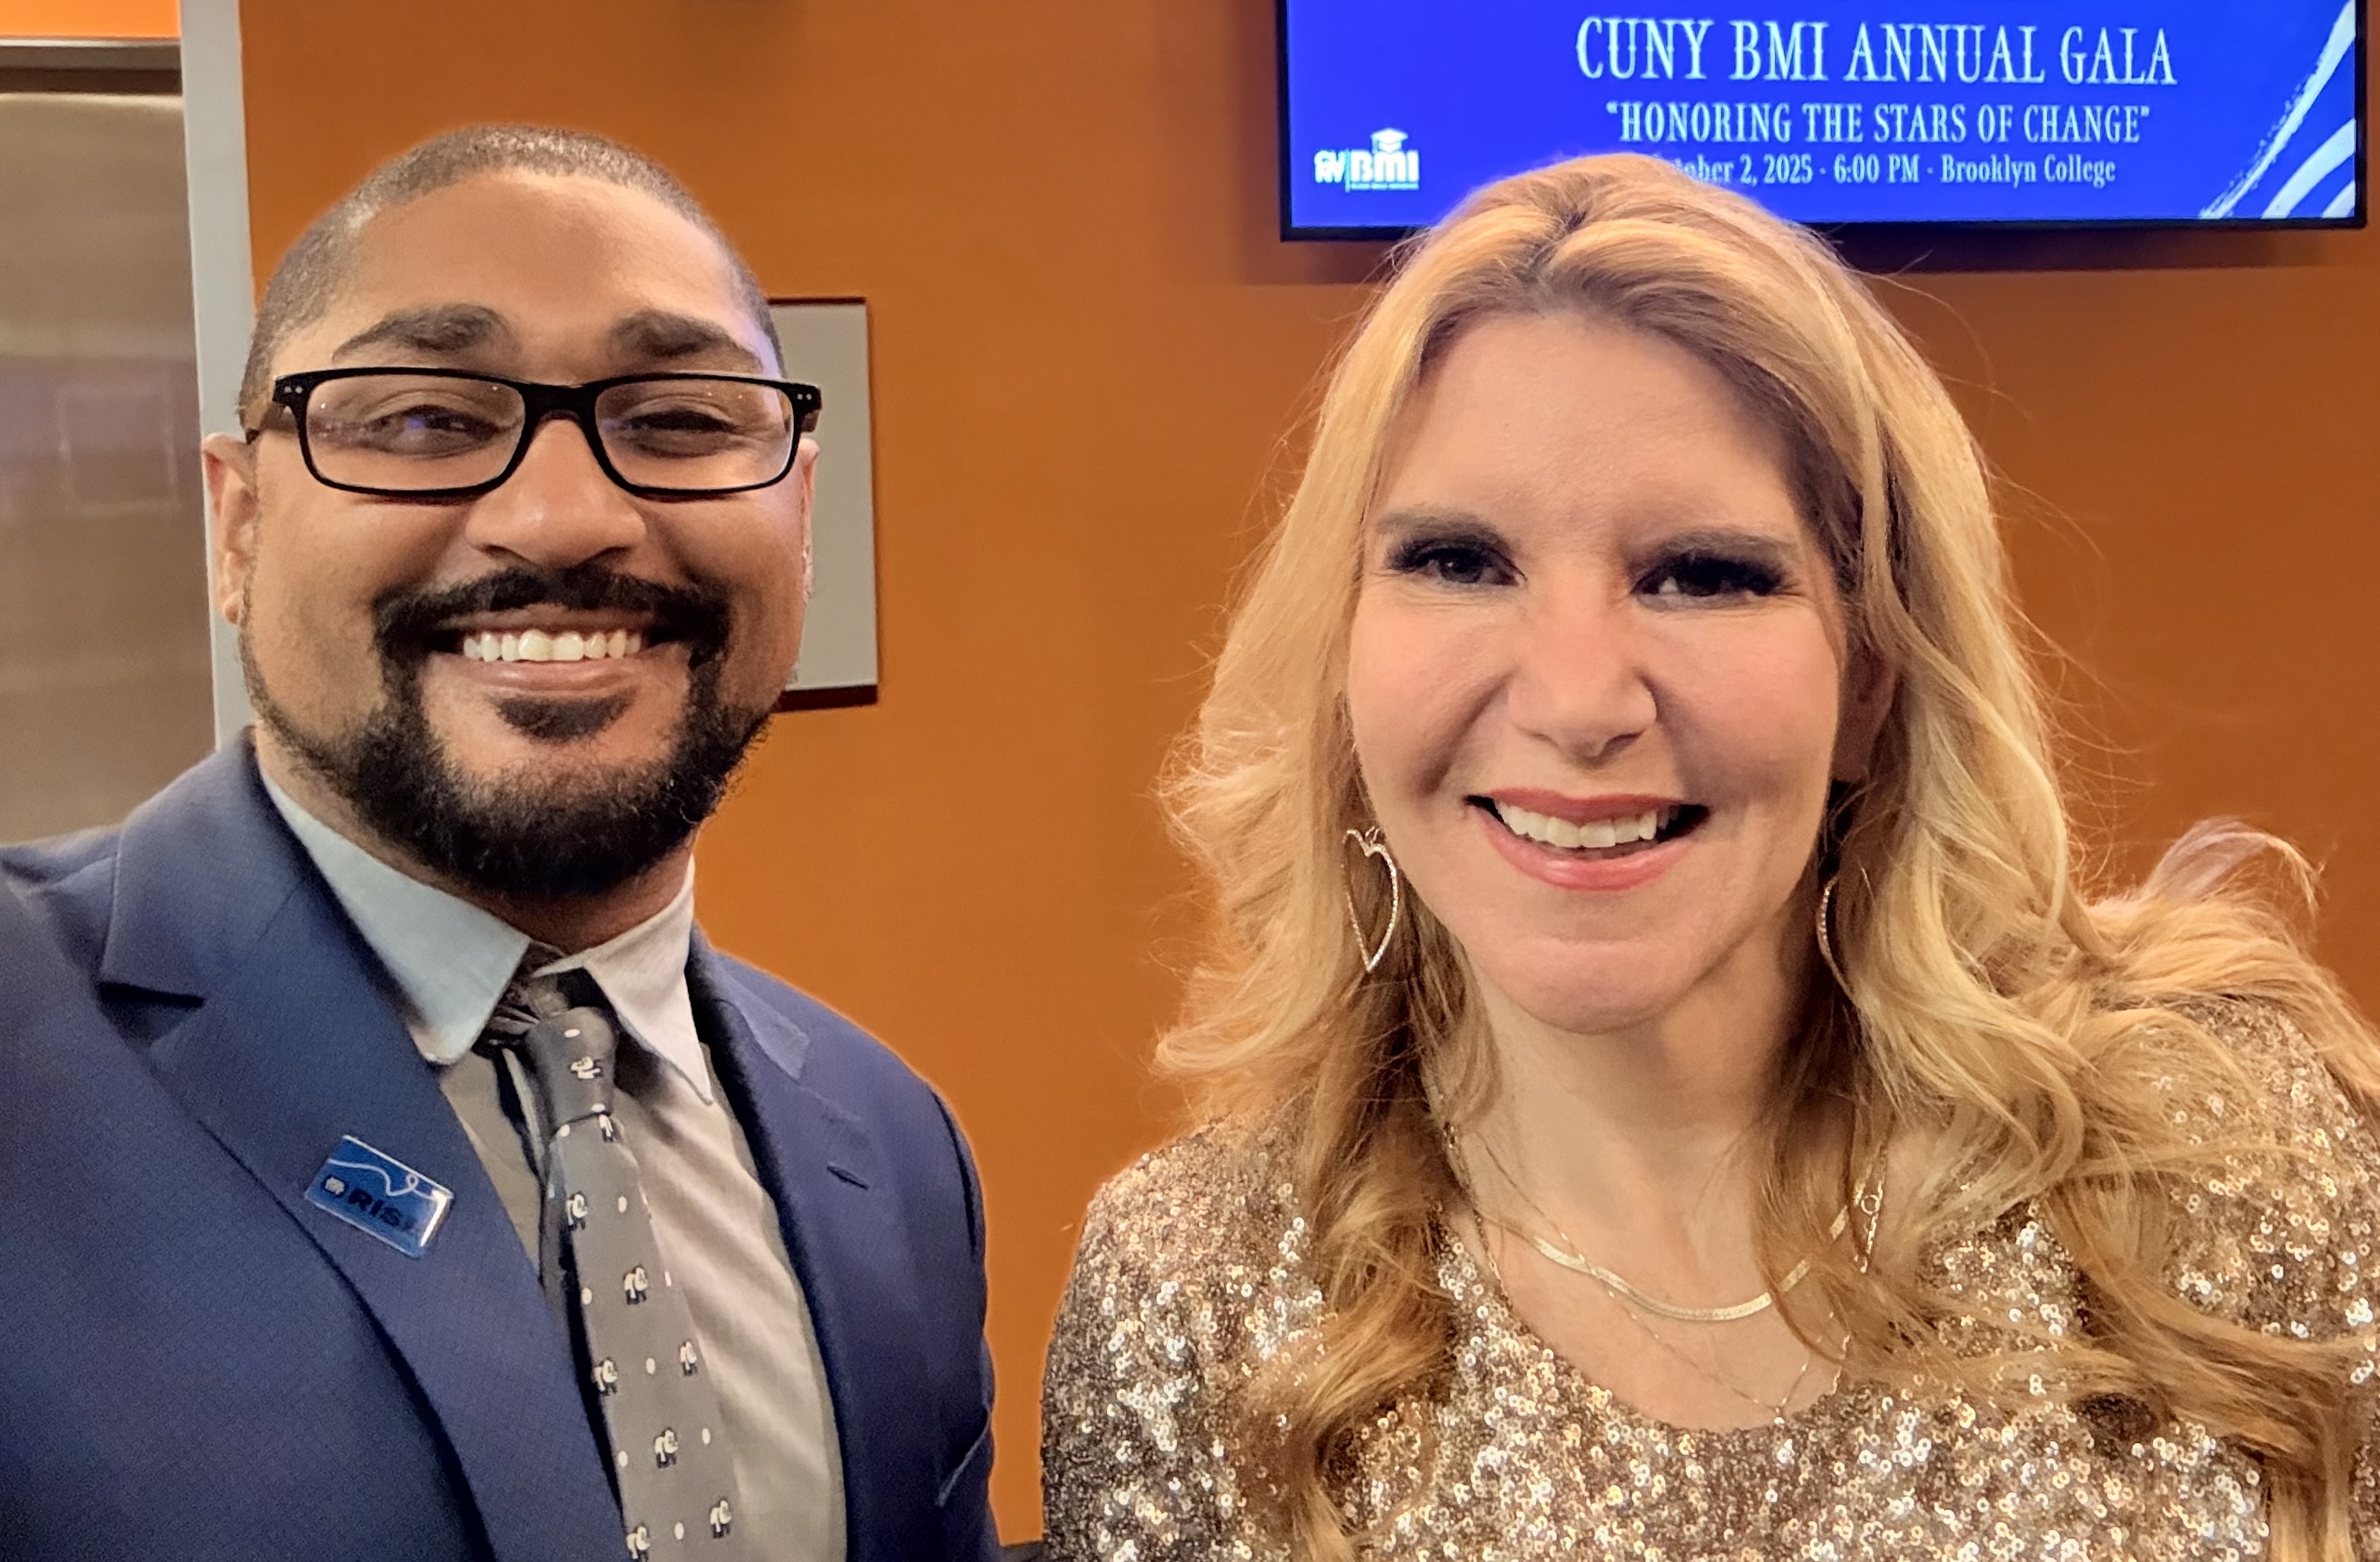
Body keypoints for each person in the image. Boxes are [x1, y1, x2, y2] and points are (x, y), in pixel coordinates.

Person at [1040, 152, 2380, 1561]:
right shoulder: (1191, 1300)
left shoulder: (2233, 1149)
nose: (1578, 701)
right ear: (1343, 659)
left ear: (1870, 680)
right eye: (1459, 561)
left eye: (1703, 573)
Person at [0, 126, 998, 1562]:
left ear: (801, 517)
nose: (567, 517)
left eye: (680, 420)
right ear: (238, 525)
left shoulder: (893, 1147)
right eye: (424, 419)